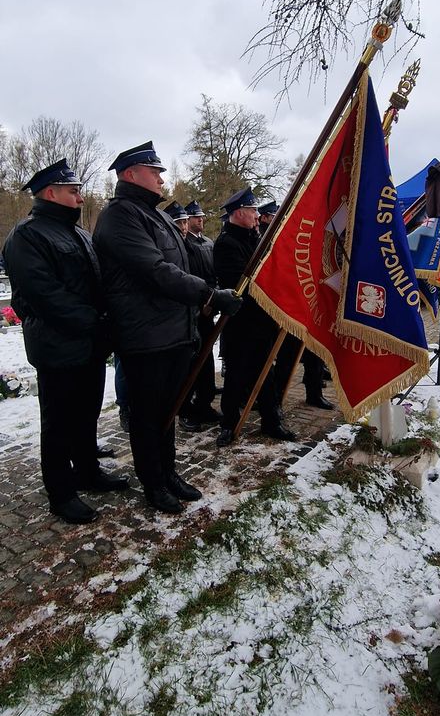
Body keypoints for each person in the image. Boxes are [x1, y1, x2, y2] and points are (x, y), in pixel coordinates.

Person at [93, 142, 241, 513]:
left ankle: (168, 472)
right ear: (130, 174)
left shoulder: (153, 214)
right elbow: (155, 270)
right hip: (145, 335)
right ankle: (153, 482)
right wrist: (209, 294)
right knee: (147, 415)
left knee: (168, 410)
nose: (161, 178)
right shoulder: (119, 216)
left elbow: (180, 267)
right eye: (154, 171)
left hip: (172, 331)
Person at [2, 159, 129, 523]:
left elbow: (96, 282)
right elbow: (45, 295)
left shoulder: (78, 233)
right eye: (74, 192)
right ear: (50, 193)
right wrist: (95, 322)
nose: (81, 198)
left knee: (87, 414)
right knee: (58, 423)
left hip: (89, 345)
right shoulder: (27, 236)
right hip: (57, 347)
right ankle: (61, 493)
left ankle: (88, 472)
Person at [213, 186, 296, 446]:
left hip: (262, 321)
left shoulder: (255, 238)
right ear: (239, 213)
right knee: (236, 375)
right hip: (241, 323)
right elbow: (240, 284)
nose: (256, 215)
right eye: (251, 210)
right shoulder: (227, 243)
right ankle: (229, 424)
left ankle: (271, 421)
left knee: (266, 372)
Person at [258, 201, 334, 411]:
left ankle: (314, 392)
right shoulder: (267, 237)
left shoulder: (294, 235)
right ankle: (277, 397)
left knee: (314, 352)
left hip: (307, 302)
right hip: (288, 305)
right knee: (288, 355)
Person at [180, 200, 221, 428]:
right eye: (195, 217)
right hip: (192, 312)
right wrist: (199, 305)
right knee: (189, 363)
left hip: (209, 308)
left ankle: (204, 403)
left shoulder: (208, 243)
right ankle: (185, 410)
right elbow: (185, 279)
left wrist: (213, 300)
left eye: (201, 216)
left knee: (206, 359)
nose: (200, 220)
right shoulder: (183, 245)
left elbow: (213, 275)